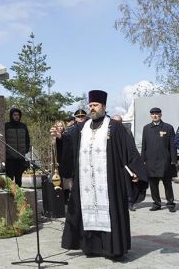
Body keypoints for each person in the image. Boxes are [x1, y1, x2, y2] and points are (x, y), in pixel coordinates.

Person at [51, 90, 146, 260]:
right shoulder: (82, 127)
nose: (92, 108)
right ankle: (91, 247)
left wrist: (136, 170)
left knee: (111, 211)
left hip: (109, 180)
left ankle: (113, 249)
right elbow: (68, 143)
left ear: (104, 106)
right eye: (90, 105)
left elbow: (129, 150)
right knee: (86, 211)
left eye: (95, 105)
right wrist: (60, 138)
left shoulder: (114, 127)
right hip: (86, 181)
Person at [141, 107, 177, 213]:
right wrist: (142, 160)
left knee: (167, 184)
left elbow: (172, 145)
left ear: (161, 115)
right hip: (151, 161)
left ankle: (170, 204)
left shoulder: (168, 127)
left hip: (165, 161)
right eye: (152, 114)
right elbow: (144, 145)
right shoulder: (146, 128)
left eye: (157, 114)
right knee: (153, 185)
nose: (155, 116)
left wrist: (173, 160)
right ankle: (156, 203)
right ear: (150, 116)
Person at [4, 107, 30, 187]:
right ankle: (9, 196)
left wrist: (26, 150)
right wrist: (6, 151)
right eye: (14, 115)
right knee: (9, 179)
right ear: (11, 116)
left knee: (19, 179)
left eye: (18, 115)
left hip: (20, 157)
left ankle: (19, 197)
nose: (16, 116)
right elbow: (3, 139)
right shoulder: (6, 126)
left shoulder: (23, 126)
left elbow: (27, 139)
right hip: (10, 157)